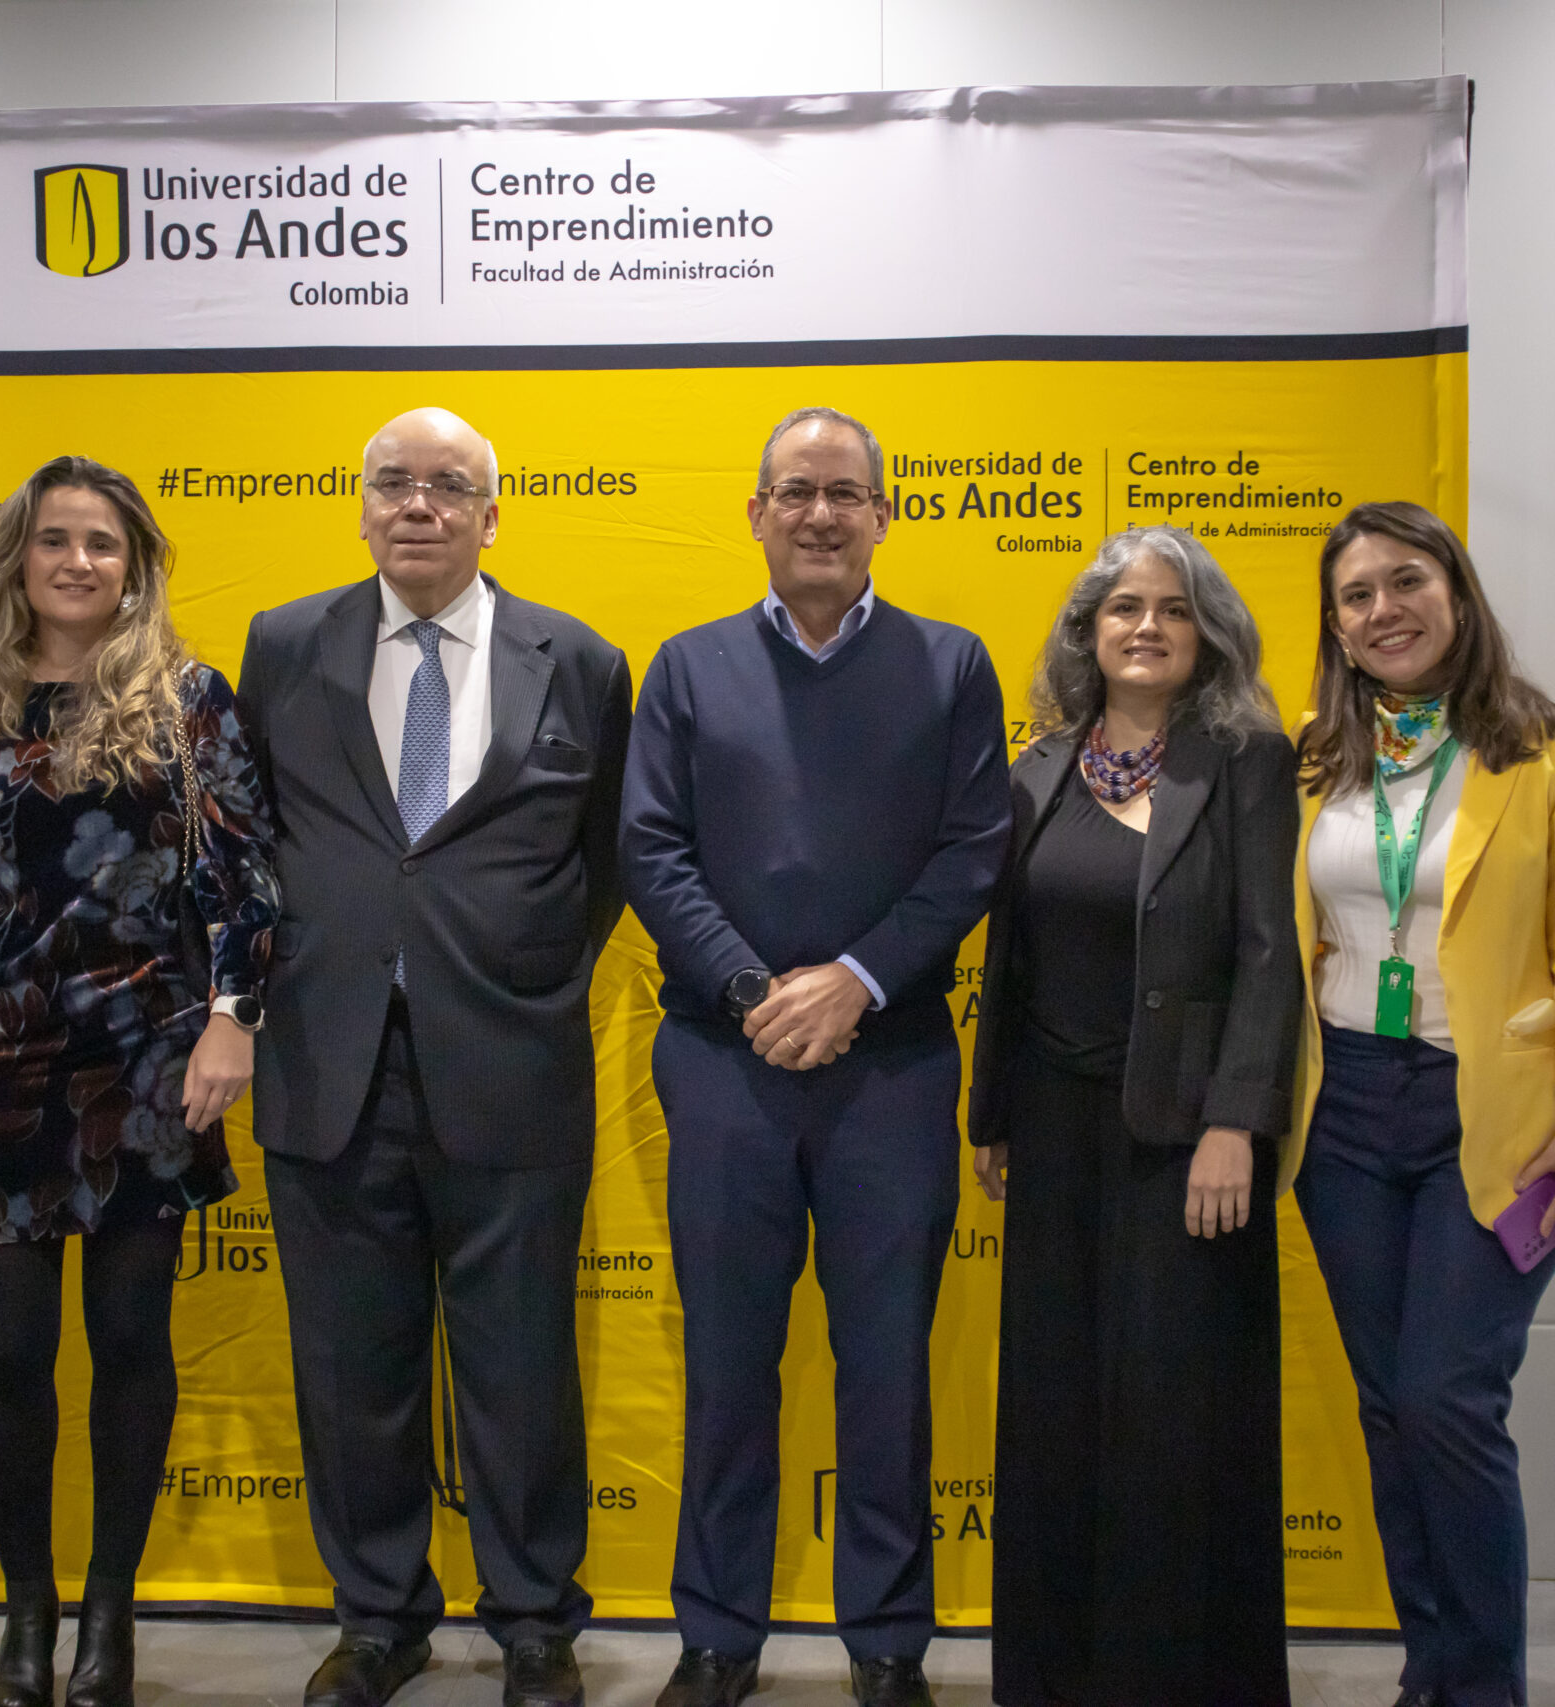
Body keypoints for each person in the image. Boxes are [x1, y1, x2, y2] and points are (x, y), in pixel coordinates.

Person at [234, 408, 633, 1707]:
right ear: (360, 506)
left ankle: (534, 1621)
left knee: (520, 1365)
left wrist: (513, 966)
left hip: (510, 1060)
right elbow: (247, 839)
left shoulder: (579, 660)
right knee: (352, 1368)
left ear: (491, 515)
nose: (419, 504)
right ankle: (378, 1617)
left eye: (449, 485)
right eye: (394, 483)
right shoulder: (284, 645)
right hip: (328, 1060)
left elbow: (604, 862)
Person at [621, 407, 1012, 1707]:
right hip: (722, 1060)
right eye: (796, 490)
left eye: (846, 492)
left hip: (891, 1064)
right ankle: (717, 1634)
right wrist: (755, 989)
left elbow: (972, 849)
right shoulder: (687, 668)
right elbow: (650, 848)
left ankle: (889, 1640)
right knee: (729, 1362)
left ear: (884, 515)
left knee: (887, 1365)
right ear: (756, 513)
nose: (821, 514)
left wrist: (855, 980)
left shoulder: (951, 665)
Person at [0, 456, 280, 1707]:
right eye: (55, 540)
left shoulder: (188, 701)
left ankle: (110, 1615)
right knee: (9, 1353)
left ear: (134, 565)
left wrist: (233, 1020)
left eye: (103, 543)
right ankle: (27, 1616)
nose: (78, 562)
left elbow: (243, 880)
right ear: (18, 559)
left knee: (130, 1340)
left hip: (149, 1062)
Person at [1288, 501, 1555, 1707]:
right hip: (1342, 1109)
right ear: (1334, 626)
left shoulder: (1548, 747)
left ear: (1455, 592)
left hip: (1494, 1114)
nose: (1381, 610)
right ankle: (1428, 1671)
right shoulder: (1315, 758)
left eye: (1405, 582)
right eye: (1355, 595)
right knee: (1390, 1407)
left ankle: (1482, 1686)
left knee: (1448, 1398)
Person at [964, 527, 1300, 1707]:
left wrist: (1234, 1124)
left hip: (1186, 1140)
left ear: (1207, 633)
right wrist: (992, 1112)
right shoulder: (1038, 769)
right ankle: (1051, 1680)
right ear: (1087, 633)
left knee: (1173, 1419)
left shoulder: (1247, 762)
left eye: (1172, 608)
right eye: (1121, 608)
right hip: (1053, 1133)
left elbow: (1269, 955)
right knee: (1054, 1412)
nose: (1145, 626)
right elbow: (1012, 955)